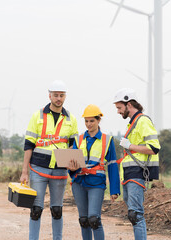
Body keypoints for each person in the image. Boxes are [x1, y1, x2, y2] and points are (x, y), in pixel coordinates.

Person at [20, 80, 79, 240]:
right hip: (38, 169)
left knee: (57, 210)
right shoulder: (37, 116)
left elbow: (74, 147)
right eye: (55, 95)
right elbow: (28, 145)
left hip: (60, 169)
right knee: (36, 209)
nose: (58, 98)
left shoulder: (71, 119)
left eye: (61, 95)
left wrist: (74, 166)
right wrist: (24, 171)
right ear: (49, 96)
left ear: (65, 97)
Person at [113, 88, 160, 240]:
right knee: (133, 214)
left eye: (120, 108)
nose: (119, 112)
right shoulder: (133, 123)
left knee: (135, 214)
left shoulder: (143, 121)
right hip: (128, 173)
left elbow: (154, 148)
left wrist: (130, 146)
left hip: (137, 172)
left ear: (129, 104)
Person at [68, 104, 120, 240]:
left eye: (92, 121)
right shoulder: (78, 140)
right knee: (84, 220)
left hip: (96, 184)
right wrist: (71, 169)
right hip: (78, 183)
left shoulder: (107, 140)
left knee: (94, 219)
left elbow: (113, 165)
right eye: (86, 121)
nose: (88, 124)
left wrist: (115, 190)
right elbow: (72, 163)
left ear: (98, 121)